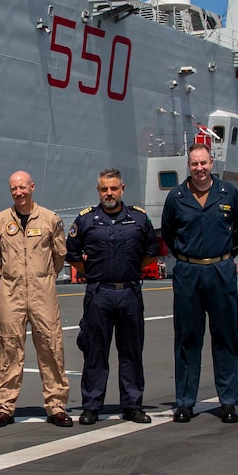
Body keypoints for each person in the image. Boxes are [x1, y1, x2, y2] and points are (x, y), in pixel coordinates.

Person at [160, 143, 238, 423]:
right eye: (194, 164)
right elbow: (169, 233)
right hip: (188, 272)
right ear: (188, 165)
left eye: (204, 163)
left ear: (212, 163)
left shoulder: (228, 193)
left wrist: (224, 257)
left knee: (226, 336)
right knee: (188, 338)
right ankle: (186, 402)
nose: (199, 168)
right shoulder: (176, 197)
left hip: (220, 271)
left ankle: (228, 402)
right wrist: (188, 258)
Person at [65, 168, 159, 425]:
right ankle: (92, 406)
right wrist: (95, 273)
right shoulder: (85, 220)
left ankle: (133, 405)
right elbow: (72, 254)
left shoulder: (139, 219)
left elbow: (151, 251)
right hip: (99, 293)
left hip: (129, 292)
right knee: (95, 352)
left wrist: (132, 269)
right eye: (105, 189)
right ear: (98, 191)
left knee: (131, 351)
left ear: (122, 189)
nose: (109, 193)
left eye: (114, 188)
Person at [0, 171, 72, 428]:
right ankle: (4, 406)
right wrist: (14, 279)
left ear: (32, 187)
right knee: (8, 347)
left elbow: (59, 256)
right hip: (11, 291)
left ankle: (56, 405)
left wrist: (41, 277)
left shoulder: (50, 220)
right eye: (14, 188)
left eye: (23, 187)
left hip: (42, 290)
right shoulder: (0, 222)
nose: (18, 192)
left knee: (51, 345)